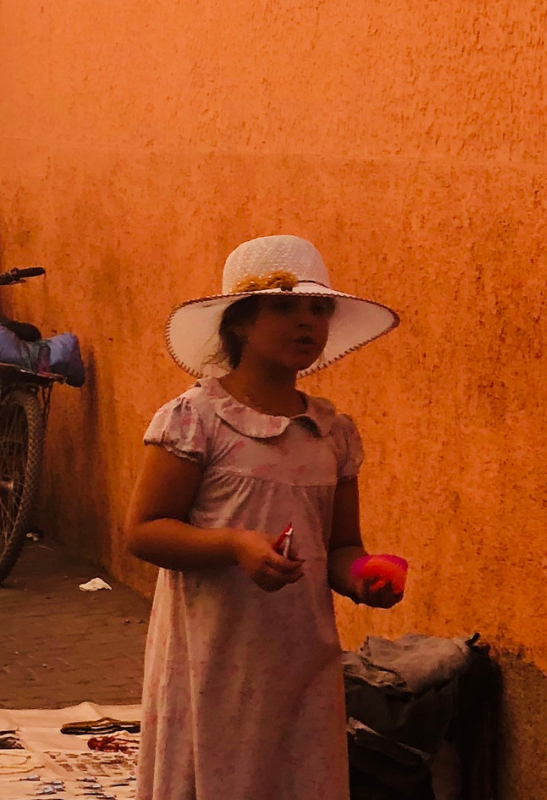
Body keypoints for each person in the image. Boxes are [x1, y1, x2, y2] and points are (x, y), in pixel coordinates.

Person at [124, 234, 405, 800]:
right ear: (240, 323)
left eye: (317, 308)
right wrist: (235, 546)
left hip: (301, 660)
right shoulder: (196, 419)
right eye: (284, 306)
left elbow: (340, 547)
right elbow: (144, 531)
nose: (306, 322)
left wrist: (363, 577)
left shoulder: (331, 434)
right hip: (213, 659)